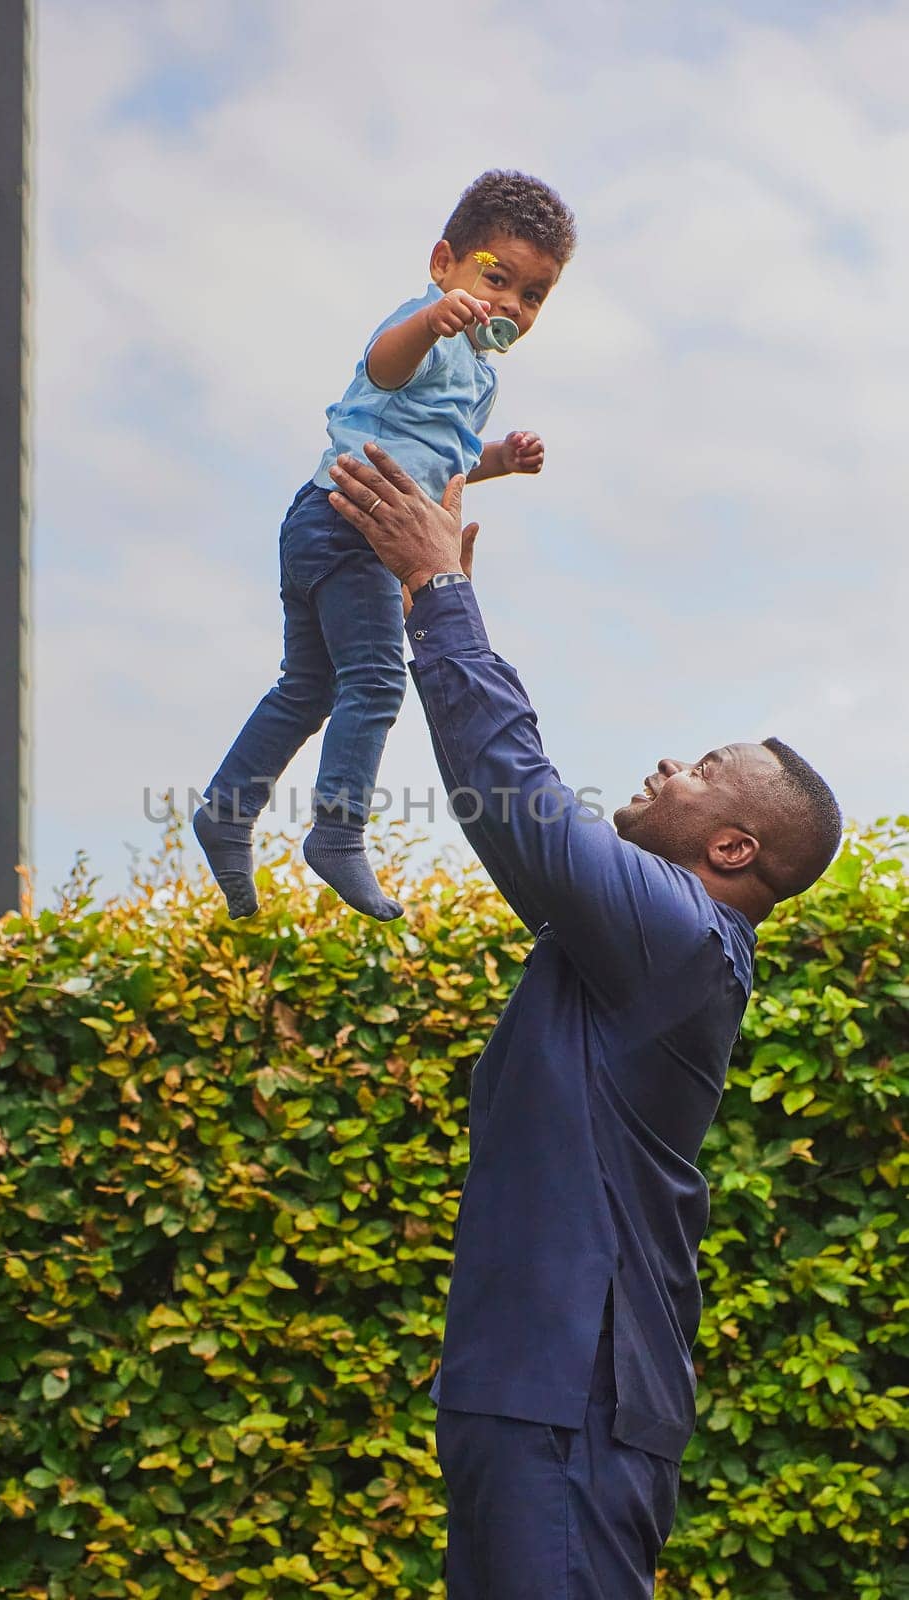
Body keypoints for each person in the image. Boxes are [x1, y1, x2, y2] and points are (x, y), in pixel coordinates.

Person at [326, 442, 842, 1600]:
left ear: (731, 849)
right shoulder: (636, 944)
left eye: (705, 766)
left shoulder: (679, 936)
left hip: (570, 1406)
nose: (671, 760)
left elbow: (516, 794)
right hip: (529, 1395)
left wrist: (437, 592)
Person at [194, 170, 576, 923]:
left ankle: (225, 813)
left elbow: (442, 457)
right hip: (347, 524)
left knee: (306, 688)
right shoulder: (421, 326)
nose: (509, 304)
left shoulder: (480, 376)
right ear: (444, 263)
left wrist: (500, 458)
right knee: (373, 681)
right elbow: (383, 365)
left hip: (324, 524)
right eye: (496, 277)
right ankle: (337, 833)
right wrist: (432, 321)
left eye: (532, 296)